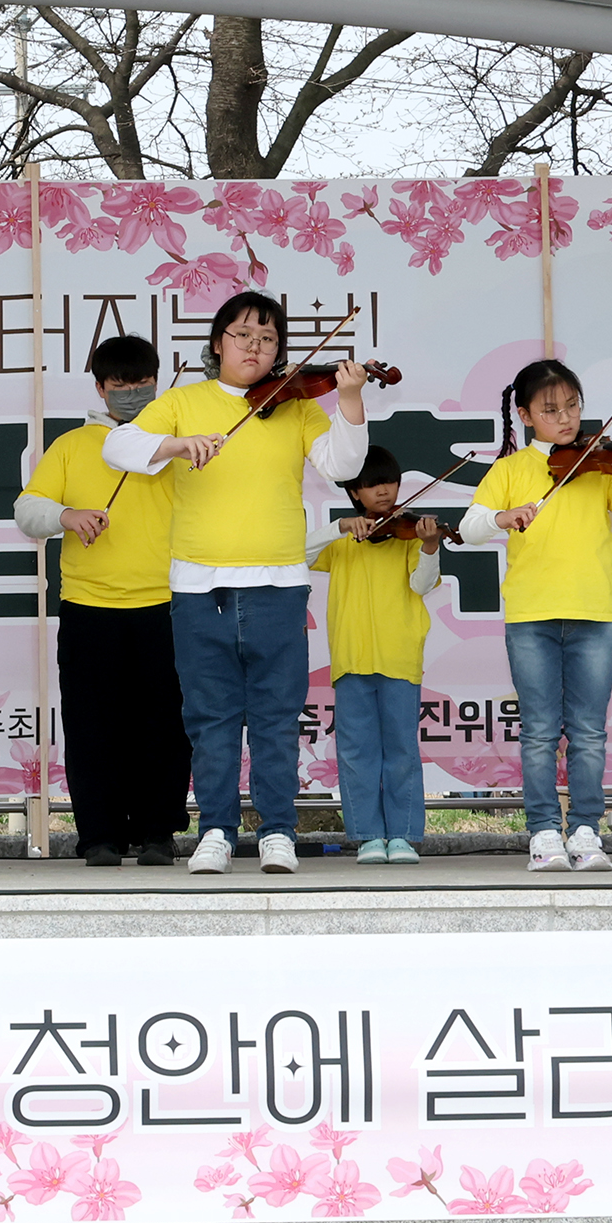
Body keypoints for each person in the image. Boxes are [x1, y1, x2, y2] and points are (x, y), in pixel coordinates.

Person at [103, 291, 374, 875]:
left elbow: (343, 466)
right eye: (243, 334)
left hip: (277, 580)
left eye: (269, 337)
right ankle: (217, 832)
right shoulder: (182, 402)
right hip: (200, 585)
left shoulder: (296, 407)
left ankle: (278, 830)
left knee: (276, 716)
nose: (255, 346)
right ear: (217, 342)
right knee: (211, 717)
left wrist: (349, 400)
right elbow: (118, 446)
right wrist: (176, 443)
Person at [460, 359, 612, 873]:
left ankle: (586, 829)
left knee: (589, 731)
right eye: (550, 410)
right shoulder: (511, 469)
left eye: (572, 406)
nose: (565, 418)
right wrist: (503, 516)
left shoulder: (598, 464)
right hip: (531, 613)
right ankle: (543, 832)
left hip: (593, 611)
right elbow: (472, 525)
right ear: (524, 415)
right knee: (540, 730)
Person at [15, 334, 188, 867]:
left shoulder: (177, 442)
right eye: (121, 386)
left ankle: (159, 832)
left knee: (165, 725)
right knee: (93, 727)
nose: (133, 394)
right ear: (100, 388)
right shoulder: (71, 446)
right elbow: (27, 511)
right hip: (91, 609)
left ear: (159, 382)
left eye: (143, 384)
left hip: (168, 604)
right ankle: (99, 836)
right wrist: (66, 516)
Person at [308, 446, 442, 864]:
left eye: (390, 482)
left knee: (401, 747)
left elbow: (422, 585)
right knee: (355, 749)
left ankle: (401, 835)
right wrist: (338, 528)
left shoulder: (409, 535)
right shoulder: (344, 540)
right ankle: (367, 835)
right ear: (354, 493)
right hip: (350, 658)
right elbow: (295, 554)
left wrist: (430, 547)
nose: (384, 491)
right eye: (372, 484)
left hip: (400, 655)